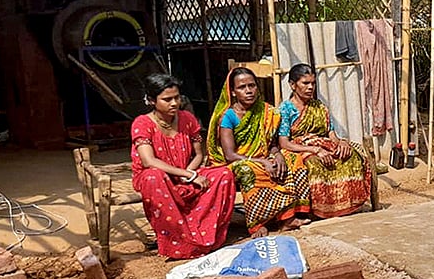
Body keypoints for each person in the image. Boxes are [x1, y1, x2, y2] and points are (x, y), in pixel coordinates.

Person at [131, 73, 236, 259]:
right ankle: (179, 242)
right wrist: (188, 175)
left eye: (177, 98)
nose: (174, 103)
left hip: (186, 173)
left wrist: (188, 173)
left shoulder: (187, 118)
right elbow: (149, 161)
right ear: (152, 100)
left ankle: (204, 233)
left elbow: (199, 155)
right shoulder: (142, 123)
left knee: (223, 174)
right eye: (167, 99)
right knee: (153, 176)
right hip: (160, 179)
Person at [206, 67, 308, 236]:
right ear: (233, 92)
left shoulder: (266, 111)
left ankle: (287, 218)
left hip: (264, 156)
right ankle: (258, 223)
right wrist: (261, 161)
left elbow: (271, 143)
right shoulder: (228, 117)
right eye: (242, 87)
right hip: (238, 161)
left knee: (293, 160)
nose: (248, 91)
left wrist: (277, 155)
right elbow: (230, 155)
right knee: (249, 170)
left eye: (252, 85)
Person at [277, 63, 372, 219]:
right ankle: (319, 211)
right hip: (298, 148)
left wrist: (341, 143)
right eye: (305, 83)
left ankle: (348, 205)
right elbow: (284, 143)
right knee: (314, 163)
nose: (310, 87)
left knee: (351, 156)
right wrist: (315, 150)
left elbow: (331, 134)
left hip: (321, 143)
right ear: (293, 85)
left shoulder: (319, 106)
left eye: (313, 83)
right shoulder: (285, 109)